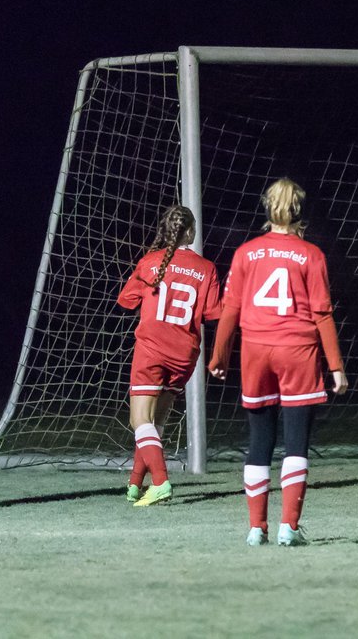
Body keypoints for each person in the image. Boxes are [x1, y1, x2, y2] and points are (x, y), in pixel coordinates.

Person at [209, 178, 348, 546]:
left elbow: (231, 308)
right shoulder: (312, 254)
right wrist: (336, 366)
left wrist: (219, 355)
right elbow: (321, 314)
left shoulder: (245, 252)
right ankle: (289, 526)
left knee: (259, 440)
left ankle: (256, 528)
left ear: (267, 210)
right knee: (296, 441)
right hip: (297, 352)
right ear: (300, 212)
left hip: (255, 350)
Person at [116, 204, 222, 506]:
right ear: (190, 232)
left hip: (152, 349)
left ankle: (160, 482)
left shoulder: (150, 262)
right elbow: (213, 312)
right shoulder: (206, 268)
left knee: (140, 421)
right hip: (185, 355)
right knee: (156, 423)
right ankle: (136, 485)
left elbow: (126, 300)